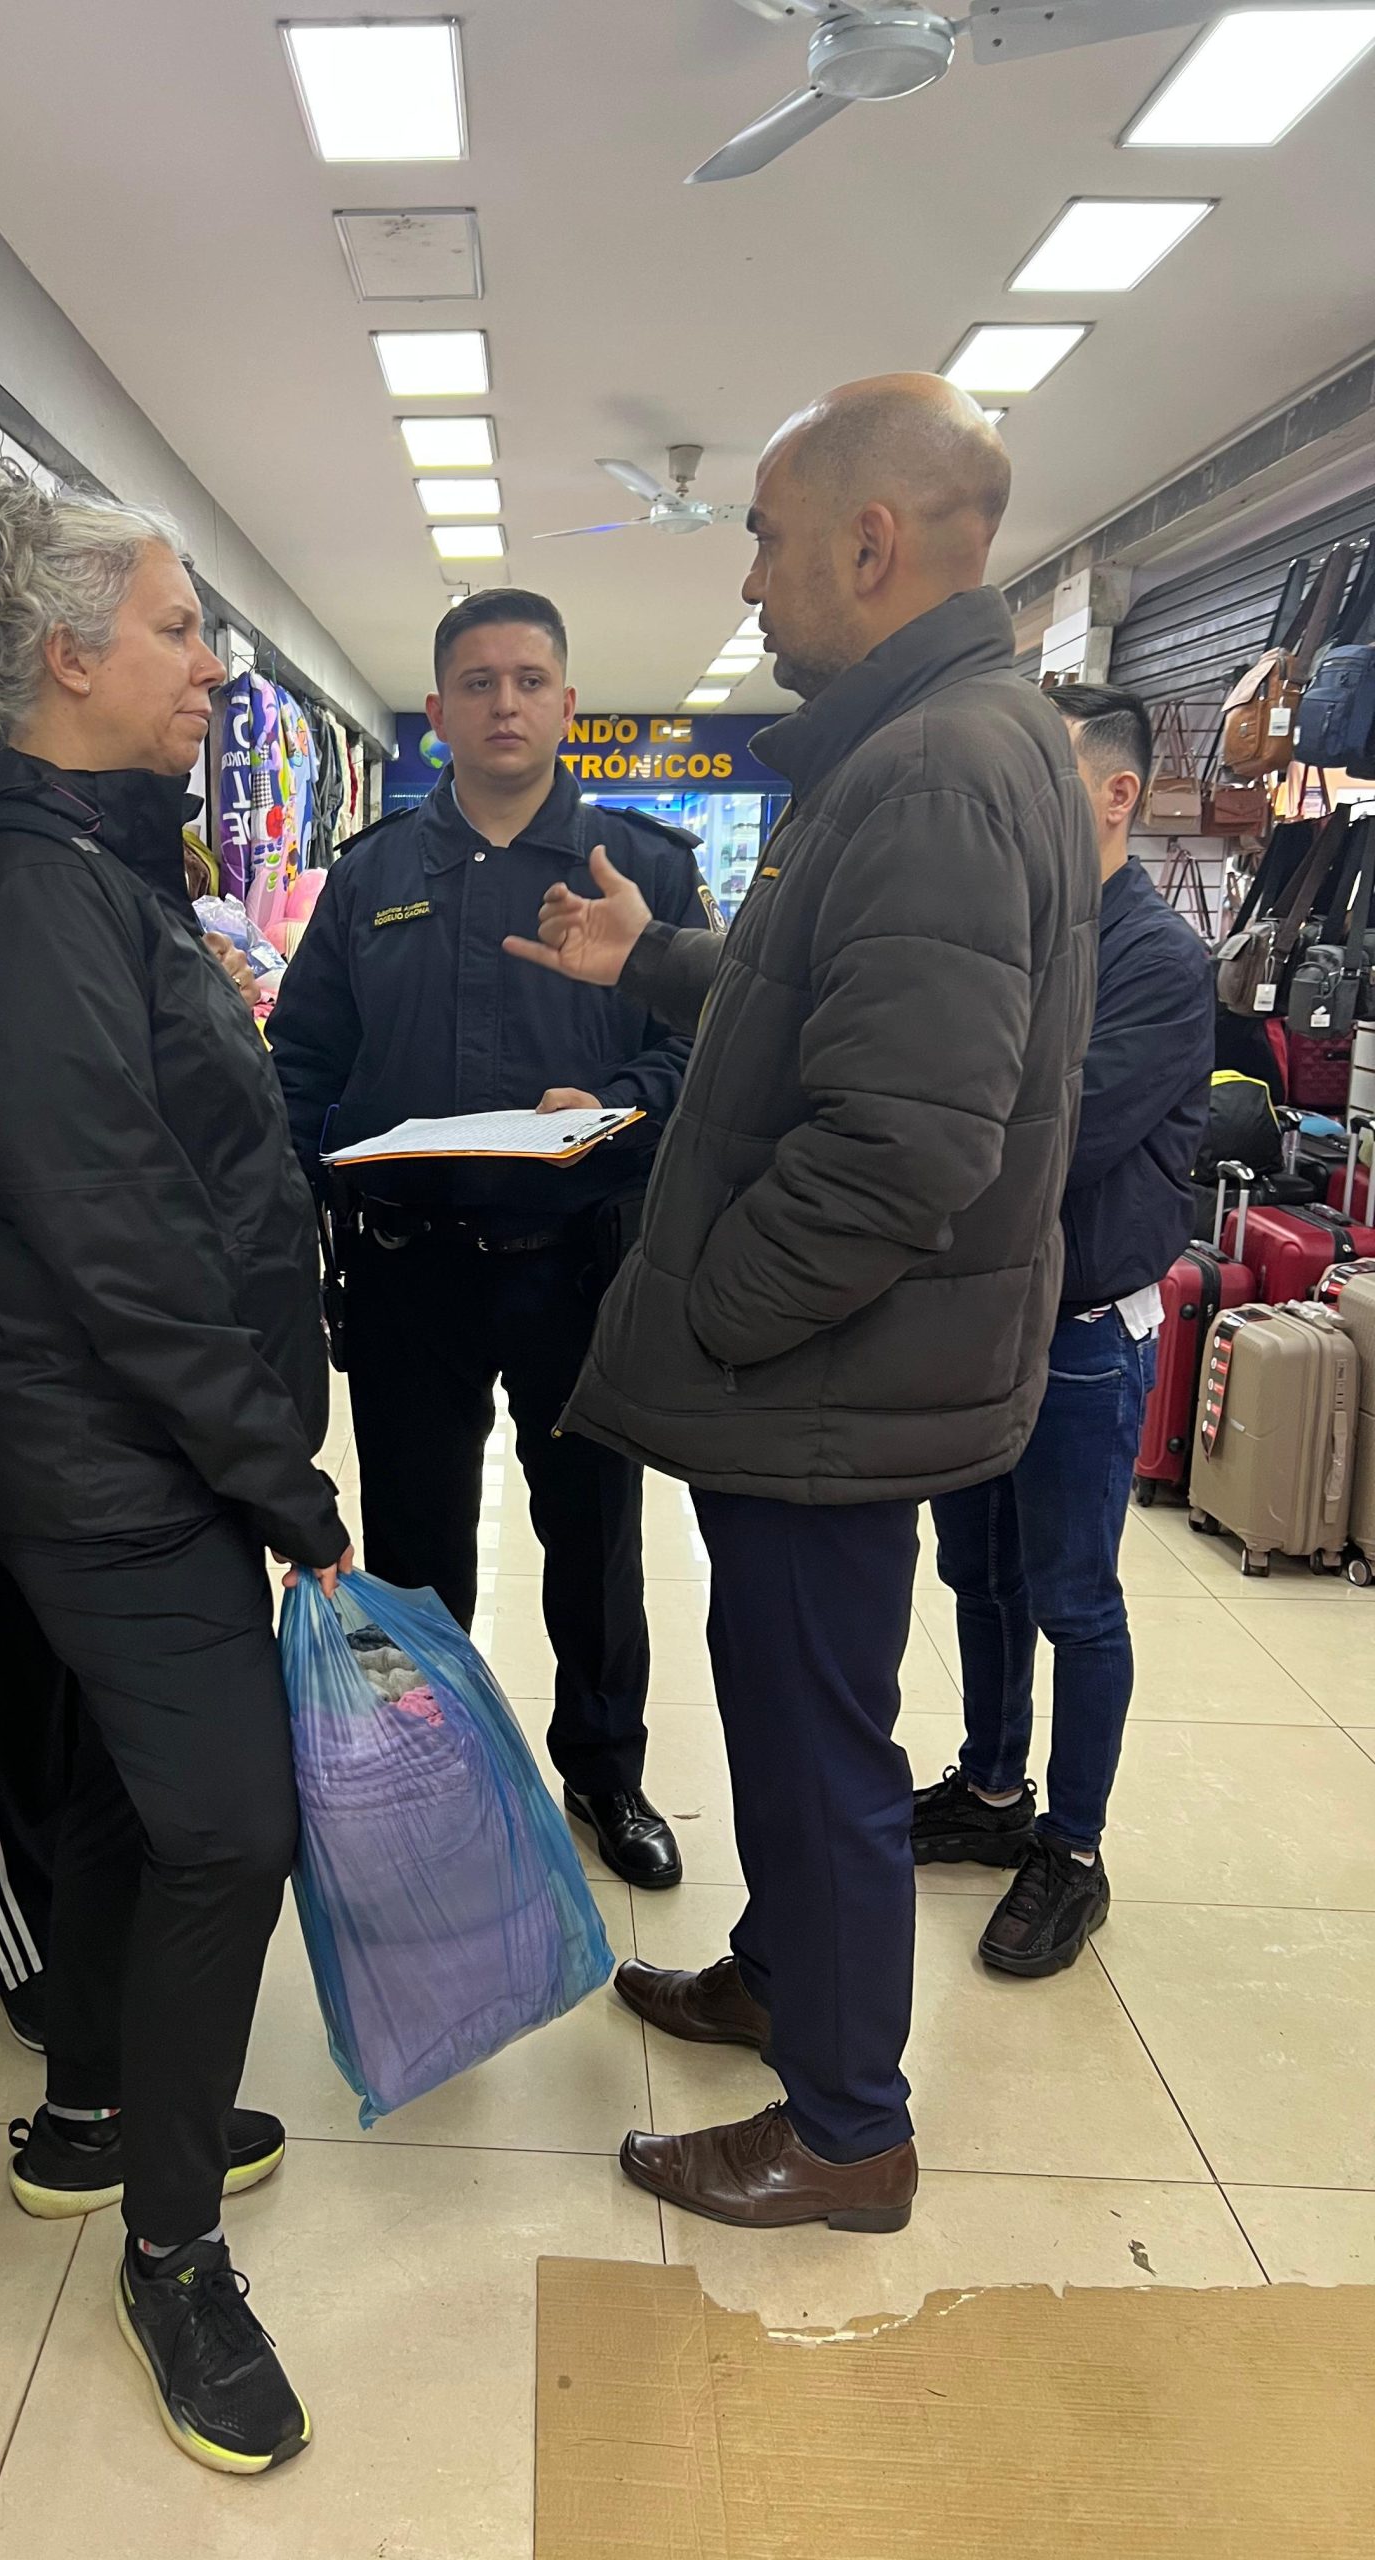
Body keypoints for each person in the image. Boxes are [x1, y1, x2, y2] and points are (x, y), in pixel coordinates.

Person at [505, 375, 1098, 2234]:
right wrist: (665, 958)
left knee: (821, 1747)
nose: (748, 582)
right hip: (852, 1373)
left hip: (826, 1378)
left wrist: (716, 1316)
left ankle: (849, 2131)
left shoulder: (931, 764)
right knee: (792, 1717)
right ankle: (783, 1981)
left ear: (872, 541)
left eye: (766, 538)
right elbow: (839, 1012)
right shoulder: (944, 742)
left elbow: (899, 1147)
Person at [0, 453, 350, 2474]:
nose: (212, 666)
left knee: (151, 1808)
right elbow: (113, 1220)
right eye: (178, 625)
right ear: (63, 649)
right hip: (111, 1445)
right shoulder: (16, 878)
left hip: (146, 1434)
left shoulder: (78, 854)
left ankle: (111, 2115)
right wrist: (279, 1472)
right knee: (235, 1823)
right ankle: (171, 2248)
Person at [268, 590, 712, 1889]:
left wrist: (620, 1105)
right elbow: (301, 1063)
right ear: (440, 709)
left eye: (529, 680)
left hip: (579, 1267)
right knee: (415, 1550)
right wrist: (287, 1203)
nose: (504, 703)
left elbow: (704, 1051)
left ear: (569, 704)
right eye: (477, 681)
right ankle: (430, 1779)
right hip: (408, 1271)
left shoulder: (645, 868)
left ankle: (605, 1775)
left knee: (595, 1543)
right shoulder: (370, 877)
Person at [914, 685, 1214, 1974]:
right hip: (978, 1322)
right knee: (976, 1574)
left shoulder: (1154, 960)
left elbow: (1056, 1134)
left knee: (1074, 1599)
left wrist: (943, 1105)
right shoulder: (1015, 931)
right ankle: (991, 1791)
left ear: (1114, 796)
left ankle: (1073, 1850)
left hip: (1082, 1333)